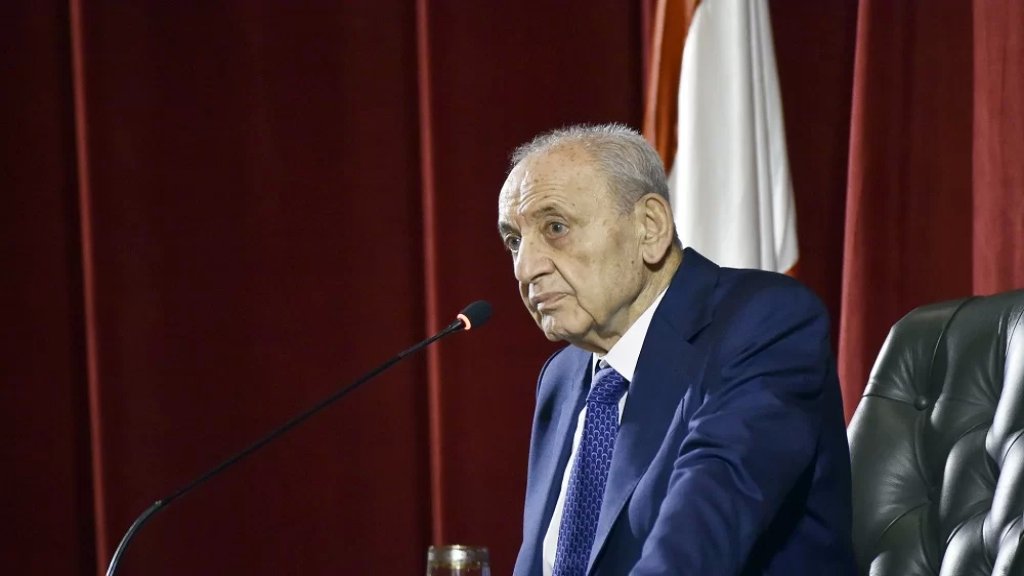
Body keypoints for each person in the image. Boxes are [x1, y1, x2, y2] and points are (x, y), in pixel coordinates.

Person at [498, 124, 855, 575]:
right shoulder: (563, 375)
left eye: (556, 227)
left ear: (650, 228)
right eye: (514, 241)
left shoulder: (763, 325)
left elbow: (698, 540)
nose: (525, 268)